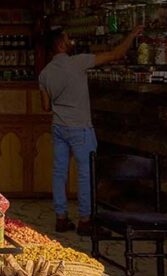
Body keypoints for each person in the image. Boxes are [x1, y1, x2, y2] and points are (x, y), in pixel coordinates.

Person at [39, 26, 142, 234]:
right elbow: (115, 54)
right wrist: (130, 35)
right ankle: (85, 220)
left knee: (59, 173)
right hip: (80, 128)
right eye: (67, 38)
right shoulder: (79, 62)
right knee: (85, 173)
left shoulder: (45, 73)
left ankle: (61, 218)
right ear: (60, 44)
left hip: (59, 127)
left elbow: (45, 106)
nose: (71, 41)